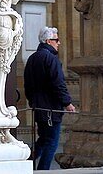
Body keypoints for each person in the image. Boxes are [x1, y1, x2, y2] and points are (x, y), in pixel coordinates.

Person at [24, 26, 77, 170]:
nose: (59, 43)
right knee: (52, 142)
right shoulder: (51, 58)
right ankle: (43, 170)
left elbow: (27, 85)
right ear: (48, 41)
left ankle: (25, 163)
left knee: (43, 139)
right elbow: (58, 83)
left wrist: (33, 101)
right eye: (56, 40)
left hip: (39, 108)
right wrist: (67, 103)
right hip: (51, 109)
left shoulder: (32, 58)